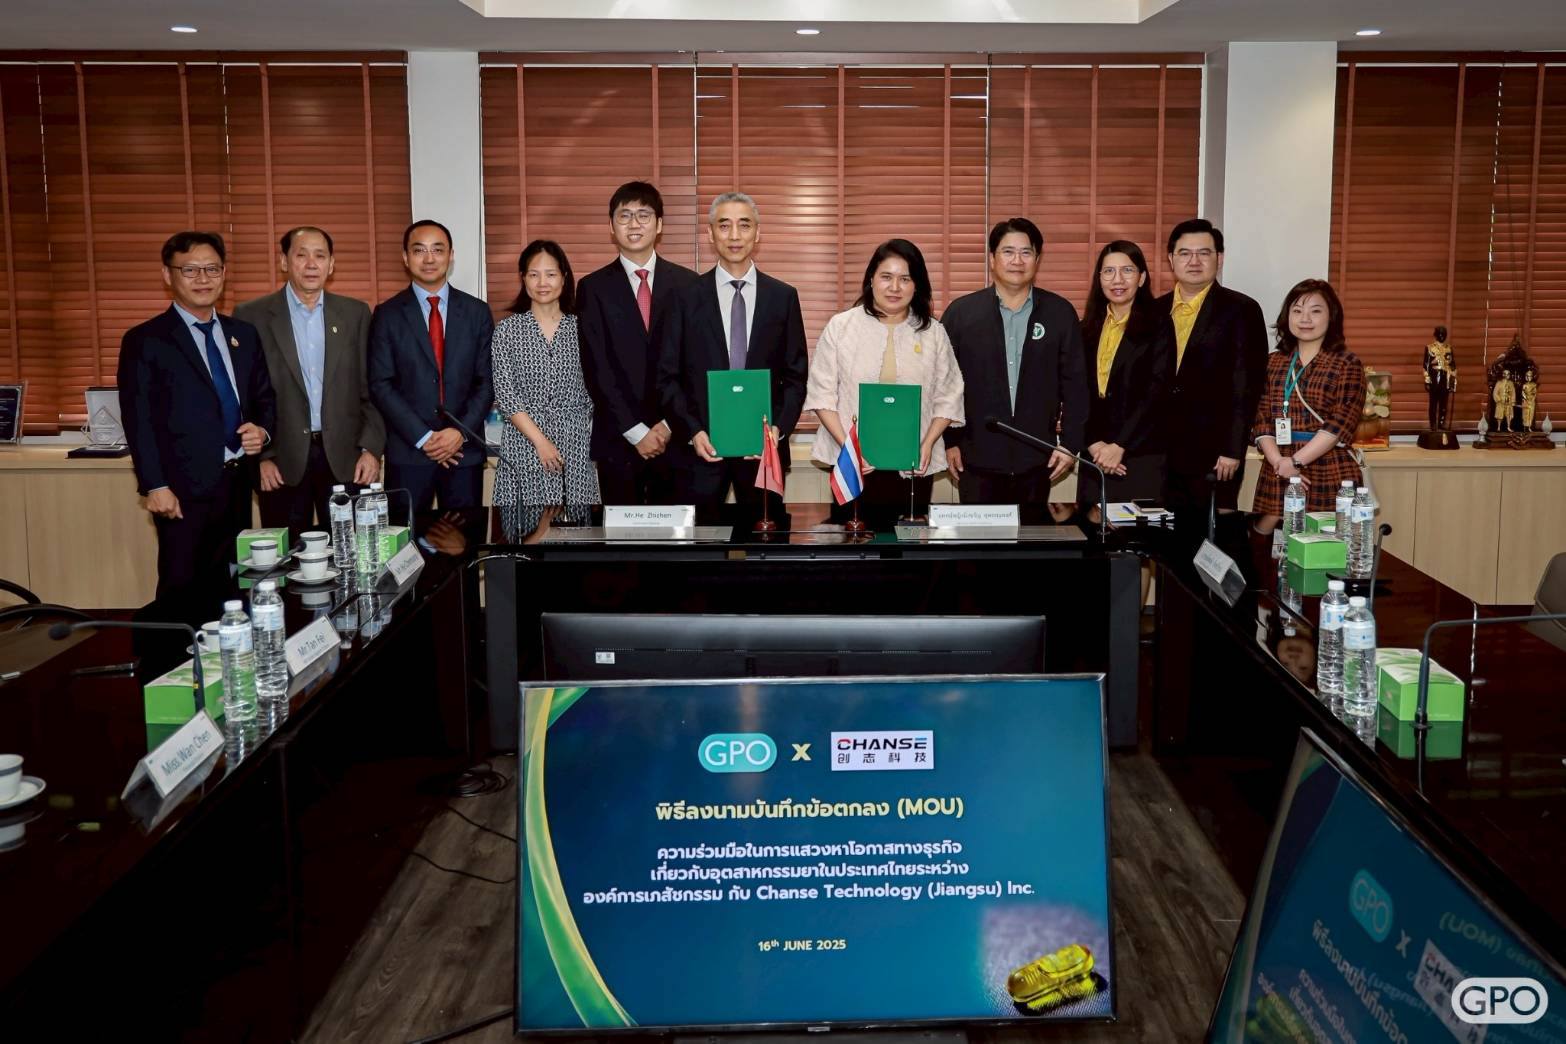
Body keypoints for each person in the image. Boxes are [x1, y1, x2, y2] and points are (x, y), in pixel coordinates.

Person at [117, 231, 275, 619]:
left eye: (212, 269)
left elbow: (264, 399)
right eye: (190, 270)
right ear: (168, 275)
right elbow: (138, 420)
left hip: (236, 481)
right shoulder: (146, 340)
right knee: (181, 588)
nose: (203, 279)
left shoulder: (243, 334)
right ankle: (175, 656)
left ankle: (229, 652)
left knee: (232, 586)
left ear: (224, 273)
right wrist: (155, 485)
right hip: (181, 489)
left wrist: (262, 431)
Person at [656, 192, 808, 521]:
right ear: (711, 234)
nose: (734, 235)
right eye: (724, 226)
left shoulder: (782, 297)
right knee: (698, 547)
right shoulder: (684, 298)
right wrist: (693, 431)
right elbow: (667, 377)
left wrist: (777, 431)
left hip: (763, 455)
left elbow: (796, 377)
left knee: (765, 544)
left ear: (758, 233)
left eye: (744, 225)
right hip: (699, 453)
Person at [805, 239, 964, 528]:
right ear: (871, 280)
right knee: (853, 543)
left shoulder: (933, 333)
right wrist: (849, 448)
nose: (895, 287)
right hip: (852, 463)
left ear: (917, 285)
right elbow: (821, 394)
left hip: (913, 465)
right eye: (886, 277)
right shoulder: (841, 327)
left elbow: (949, 395)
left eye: (905, 279)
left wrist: (927, 443)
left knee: (907, 546)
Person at [234, 226, 383, 531]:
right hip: (280, 462)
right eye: (301, 255)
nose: (311, 264)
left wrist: (371, 449)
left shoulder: (355, 314)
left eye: (320, 256)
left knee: (350, 551)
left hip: (346, 460)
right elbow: (244, 394)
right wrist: (261, 457)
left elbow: (372, 388)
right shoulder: (252, 315)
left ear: (332, 264)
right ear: (284, 261)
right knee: (286, 554)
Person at [942, 217, 1087, 508]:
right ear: (992, 259)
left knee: (1030, 538)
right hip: (975, 459)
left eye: (1026, 252)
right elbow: (944, 384)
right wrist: (949, 442)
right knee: (978, 538)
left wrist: (1070, 445)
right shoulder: (961, 314)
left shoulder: (1060, 313)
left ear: (1037, 259)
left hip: (1038, 459)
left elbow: (1076, 385)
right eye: (1008, 252)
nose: (1017, 261)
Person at [577, 181, 700, 505]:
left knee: (677, 534)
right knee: (621, 535)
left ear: (659, 225)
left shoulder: (689, 285)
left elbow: (695, 364)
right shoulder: (592, 288)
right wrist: (636, 431)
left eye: (643, 215)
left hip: (676, 439)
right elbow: (596, 369)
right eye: (625, 215)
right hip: (618, 440)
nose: (634, 224)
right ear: (611, 226)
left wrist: (669, 425)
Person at [367, 219, 494, 512]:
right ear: (405, 257)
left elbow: (487, 381)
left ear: (451, 256)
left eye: (437, 249)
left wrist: (458, 433)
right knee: (405, 539)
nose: (429, 258)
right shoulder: (387, 314)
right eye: (419, 250)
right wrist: (424, 437)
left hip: (463, 453)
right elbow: (380, 384)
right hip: (409, 454)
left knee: (463, 537)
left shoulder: (476, 312)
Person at [1156, 218, 1268, 511]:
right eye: (1184, 253)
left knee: (1212, 533)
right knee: (1160, 531)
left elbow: (1247, 385)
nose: (1194, 261)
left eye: (1203, 253)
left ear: (1219, 258)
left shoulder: (1242, 310)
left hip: (1214, 453)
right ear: (1171, 259)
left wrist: (1233, 449)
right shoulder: (1154, 310)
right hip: (1158, 451)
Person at [490, 239, 600, 509]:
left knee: (576, 528)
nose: (542, 283)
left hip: (574, 444)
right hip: (523, 443)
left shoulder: (583, 328)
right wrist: (540, 441)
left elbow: (598, 387)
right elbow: (505, 394)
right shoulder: (507, 331)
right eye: (533, 275)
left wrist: (576, 426)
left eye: (550, 274)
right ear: (523, 278)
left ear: (564, 277)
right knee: (524, 529)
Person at [1251, 279, 1365, 515]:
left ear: (1331, 317)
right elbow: (1261, 417)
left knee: (1325, 536)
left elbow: (1340, 422)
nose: (1305, 319)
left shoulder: (1347, 363)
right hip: (1278, 465)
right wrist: (1279, 462)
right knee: (1266, 534)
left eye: (1315, 311)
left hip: (1329, 466)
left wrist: (1296, 461)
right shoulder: (1273, 362)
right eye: (1297, 311)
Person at [1078, 240, 1170, 505]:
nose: (1117, 279)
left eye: (1127, 270)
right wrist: (1093, 443)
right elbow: (1075, 391)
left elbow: (1157, 392)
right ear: (1099, 279)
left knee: (1135, 529)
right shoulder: (1085, 329)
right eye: (1108, 271)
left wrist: (1120, 446)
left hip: (1140, 454)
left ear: (1141, 278)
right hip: (1094, 454)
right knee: (1091, 527)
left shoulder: (1159, 326)